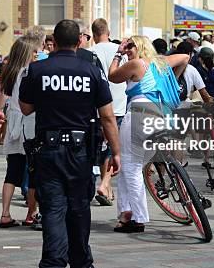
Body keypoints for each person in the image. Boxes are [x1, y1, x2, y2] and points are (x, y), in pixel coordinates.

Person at [19, 19, 121, 268]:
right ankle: (81, 262)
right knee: (78, 208)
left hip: (48, 149)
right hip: (80, 152)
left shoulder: (38, 69)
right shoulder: (92, 71)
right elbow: (107, 116)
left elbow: (26, 108)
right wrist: (116, 152)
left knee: (53, 209)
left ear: (53, 42)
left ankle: (53, 262)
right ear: (79, 42)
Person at [108, 35, 189, 233]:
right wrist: (172, 79)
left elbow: (112, 76)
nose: (127, 50)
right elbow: (185, 58)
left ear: (141, 47)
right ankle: (125, 214)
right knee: (133, 165)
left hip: (138, 116)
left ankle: (139, 217)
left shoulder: (136, 64)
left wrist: (118, 54)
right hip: (160, 118)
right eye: (126, 48)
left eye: (130, 47)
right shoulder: (160, 64)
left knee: (131, 166)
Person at [0, 37, 39, 228]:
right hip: (28, 124)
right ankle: (32, 212)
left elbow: (4, 97)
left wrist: (0, 112)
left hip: (13, 124)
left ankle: (5, 213)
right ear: (27, 53)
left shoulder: (9, 72)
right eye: (34, 52)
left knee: (12, 172)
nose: (37, 55)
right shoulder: (28, 73)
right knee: (34, 171)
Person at [90, 18, 127, 206]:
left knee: (99, 148)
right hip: (118, 105)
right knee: (112, 148)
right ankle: (105, 184)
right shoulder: (120, 51)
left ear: (93, 34)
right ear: (108, 32)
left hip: (95, 107)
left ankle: (105, 186)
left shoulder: (89, 53)